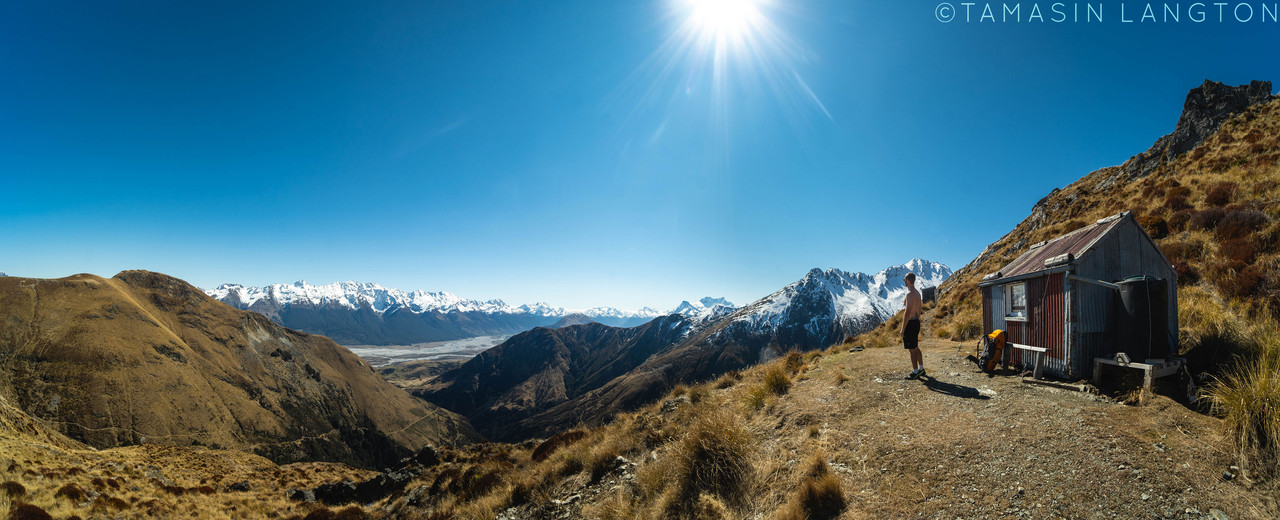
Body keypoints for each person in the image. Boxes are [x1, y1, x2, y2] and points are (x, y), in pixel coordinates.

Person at [901, 272, 925, 379]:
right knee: (915, 347)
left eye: (904, 280)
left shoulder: (909, 294)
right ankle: (921, 368)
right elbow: (919, 310)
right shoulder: (917, 294)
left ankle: (915, 372)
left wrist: (903, 328)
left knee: (912, 349)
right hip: (916, 322)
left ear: (908, 280)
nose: (904, 282)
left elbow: (907, 312)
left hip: (910, 323)